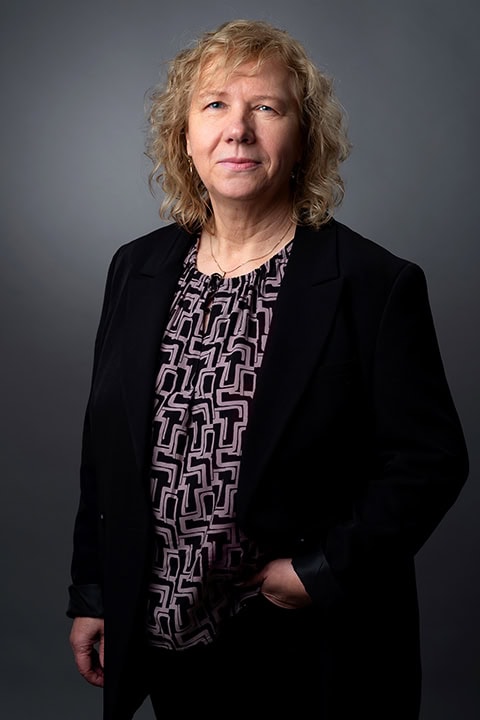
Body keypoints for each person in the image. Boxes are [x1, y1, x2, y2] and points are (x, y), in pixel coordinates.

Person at [67, 18, 469, 720]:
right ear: (184, 137)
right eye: (215, 104)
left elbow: (430, 461)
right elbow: (105, 451)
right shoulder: (136, 269)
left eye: (267, 107)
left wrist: (320, 571)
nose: (238, 130)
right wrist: (96, 594)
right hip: (163, 631)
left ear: (303, 138)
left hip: (303, 644)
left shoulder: (373, 284)